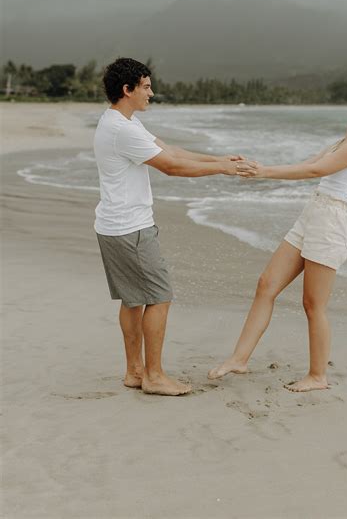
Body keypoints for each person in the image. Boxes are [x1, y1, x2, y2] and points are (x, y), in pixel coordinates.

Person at [209, 106, 347, 392]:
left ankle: (318, 376)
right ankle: (239, 359)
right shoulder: (343, 142)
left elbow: (314, 170)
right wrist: (258, 167)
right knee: (266, 285)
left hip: (329, 222)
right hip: (312, 214)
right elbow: (308, 163)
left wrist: (263, 173)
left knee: (313, 305)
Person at [94, 58, 255, 396]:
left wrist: (221, 159)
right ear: (128, 90)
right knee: (159, 297)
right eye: (146, 86)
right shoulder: (123, 129)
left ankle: (134, 372)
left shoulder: (121, 122)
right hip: (131, 228)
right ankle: (154, 376)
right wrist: (224, 172)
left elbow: (171, 150)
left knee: (133, 300)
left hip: (114, 225)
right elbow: (171, 167)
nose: (151, 93)